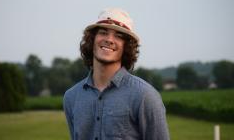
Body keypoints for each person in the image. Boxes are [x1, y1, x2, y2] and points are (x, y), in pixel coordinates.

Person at [63, 8, 170, 140]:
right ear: (92, 39)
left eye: (118, 36)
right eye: (103, 32)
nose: (109, 39)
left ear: (127, 47)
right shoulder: (71, 97)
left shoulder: (144, 96)